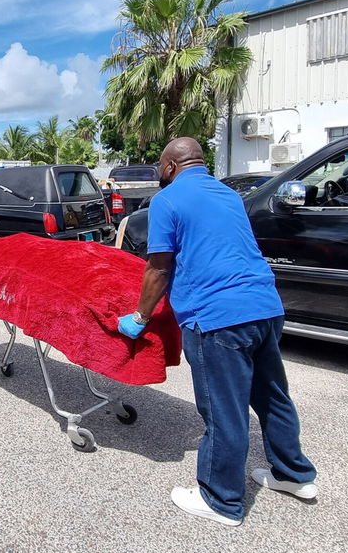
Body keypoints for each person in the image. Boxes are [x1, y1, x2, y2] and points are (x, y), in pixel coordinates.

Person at [117, 138, 317, 526]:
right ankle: (293, 475)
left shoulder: (168, 199)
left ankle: (220, 499)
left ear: (171, 166)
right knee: (272, 395)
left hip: (217, 318)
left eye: (160, 167)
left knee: (223, 410)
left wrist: (139, 317)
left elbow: (159, 266)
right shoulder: (229, 195)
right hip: (264, 306)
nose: (159, 174)